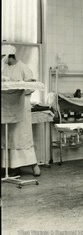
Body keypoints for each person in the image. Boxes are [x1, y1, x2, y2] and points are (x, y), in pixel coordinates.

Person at [1, 45, 41, 176]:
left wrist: (19, 86)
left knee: (22, 137)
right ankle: (11, 167)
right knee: (8, 137)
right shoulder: (4, 68)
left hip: (22, 106)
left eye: (3, 57)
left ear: (9, 56)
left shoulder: (23, 67)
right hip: (7, 108)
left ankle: (34, 165)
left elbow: (31, 87)